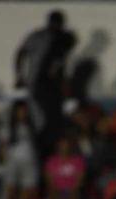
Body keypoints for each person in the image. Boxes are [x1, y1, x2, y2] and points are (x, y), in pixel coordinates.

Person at [15, 10, 76, 149]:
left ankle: (49, 148)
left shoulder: (61, 39)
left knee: (52, 119)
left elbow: (60, 64)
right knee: (41, 119)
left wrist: (64, 83)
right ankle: (42, 147)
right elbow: (21, 53)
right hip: (38, 84)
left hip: (50, 86)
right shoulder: (39, 37)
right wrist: (19, 75)